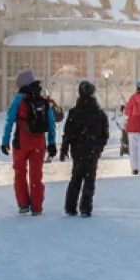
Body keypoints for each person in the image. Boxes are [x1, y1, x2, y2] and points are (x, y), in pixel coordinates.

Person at [0, 69, 57, 215]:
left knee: (20, 172)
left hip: (21, 142)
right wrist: (51, 143)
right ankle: (37, 206)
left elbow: (9, 120)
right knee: (36, 174)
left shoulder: (18, 99)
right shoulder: (42, 98)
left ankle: (24, 203)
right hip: (39, 143)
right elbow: (51, 122)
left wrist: (5, 141)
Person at [59, 80, 110, 217]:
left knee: (75, 177)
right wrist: (99, 147)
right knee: (89, 179)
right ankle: (86, 207)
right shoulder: (99, 114)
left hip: (78, 149)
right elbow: (105, 134)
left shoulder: (74, 112)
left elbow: (68, 132)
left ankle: (70, 207)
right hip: (92, 150)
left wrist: (64, 148)